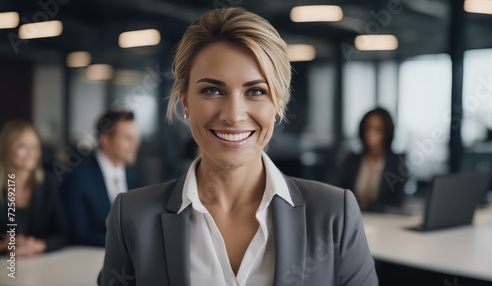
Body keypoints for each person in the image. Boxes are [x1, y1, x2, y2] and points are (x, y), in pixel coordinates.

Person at [100, 8, 377, 286]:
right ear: (185, 100)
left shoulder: (334, 215)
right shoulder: (132, 217)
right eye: (212, 90)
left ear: (278, 103)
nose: (233, 115)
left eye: (255, 91)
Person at [61, 110, 141, 247]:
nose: (135, 145)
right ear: (105, 139)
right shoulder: (79, 179)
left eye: (135, 138)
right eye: (127, 138)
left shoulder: (132, 176)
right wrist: (126, 243)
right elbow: (78, 235)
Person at [0, 120, 67, 256]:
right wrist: (3, 244)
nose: (31, 153)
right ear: (7, 149)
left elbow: (64, 232)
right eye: (22, 146)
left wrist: (39, 245)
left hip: (38, 265)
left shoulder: (48, 185)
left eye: (35, 146)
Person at [339, 108, 408, 211]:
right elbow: (340, 192)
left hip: (383, 220)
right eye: (367, 128)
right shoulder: (352, 159)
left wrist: (370, 206)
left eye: (377, 129)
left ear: (387, 132)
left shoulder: (397, 163)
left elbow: (398, 202)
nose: (370, 133)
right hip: (353, 216)